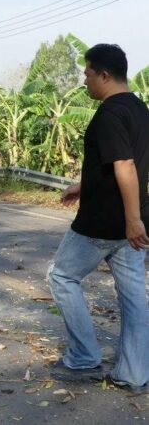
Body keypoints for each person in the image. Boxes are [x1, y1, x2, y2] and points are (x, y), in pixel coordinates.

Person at [47, 43, 149, 394]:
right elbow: (121, 162)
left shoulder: (108, 114)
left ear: (105, 75)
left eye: (88, 74)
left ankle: (83, 356)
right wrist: (84, 184)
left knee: (61, 276)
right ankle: (134, 374)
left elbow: (125, 164)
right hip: (132, 225)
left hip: (105, 221)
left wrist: (131, 218)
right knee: (134, 295)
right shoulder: (139, 109)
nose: (85, 80)